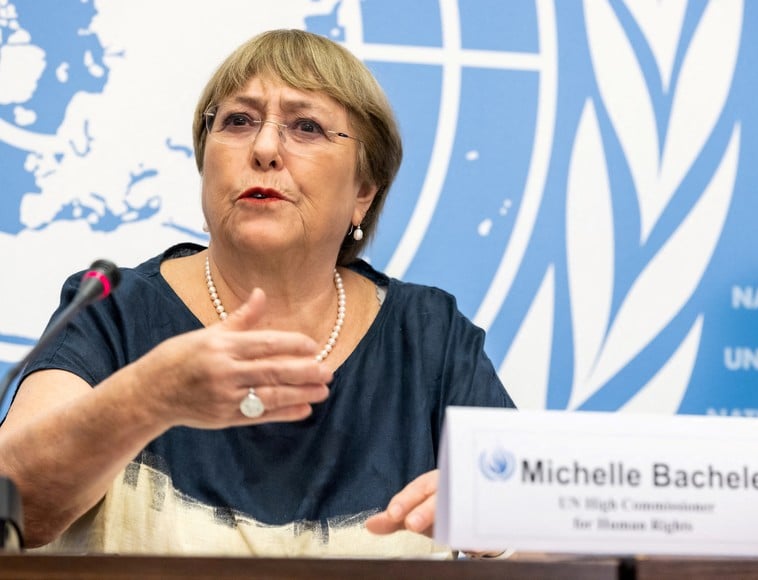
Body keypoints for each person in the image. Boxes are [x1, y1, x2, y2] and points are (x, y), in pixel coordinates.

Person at [0, 29, 514, 558]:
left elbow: (538, 519)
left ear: (363, 191)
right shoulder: (114, 311)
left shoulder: (428, 336)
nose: (265, 148)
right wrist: (146, 399)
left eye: (307, 127)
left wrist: (495, 520)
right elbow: (12, 501)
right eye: (238, 121)